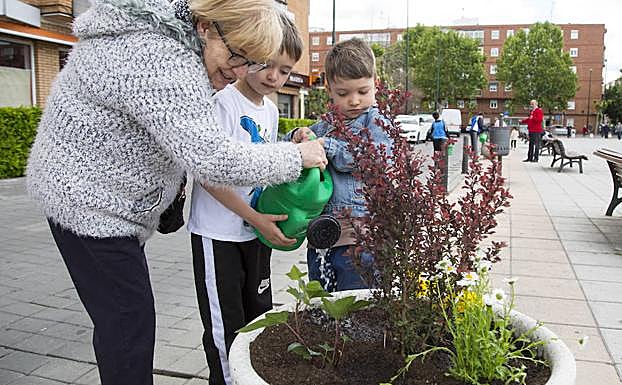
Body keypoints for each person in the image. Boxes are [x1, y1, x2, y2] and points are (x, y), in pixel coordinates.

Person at [25, 1, 327, 384]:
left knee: (124, 317)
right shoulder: (161, 58)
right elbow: (212, 159)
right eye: (236, 56)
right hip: (85, 202)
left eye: (249, 62)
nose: (237, 72)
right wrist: (295, 156)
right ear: (205, 26)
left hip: (107, 199)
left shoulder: (180, 42)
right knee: (128, 320)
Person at [187, 13, 302, 385]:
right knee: (225, 328)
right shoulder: (221, 101)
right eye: (267, 64)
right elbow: (208, 175)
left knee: (258, 318)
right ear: (250, 54)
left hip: (255, 234)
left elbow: (261, 162)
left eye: (284, 71)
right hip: (218, 236)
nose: (273, 77)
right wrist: (253, 217)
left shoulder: (269, 111)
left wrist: (291, 147)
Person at [290, 38, 393, 292]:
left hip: (360, 239)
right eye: (343, 94)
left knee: (359, 305)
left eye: (363, 91)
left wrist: (330, 147)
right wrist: (297, 136)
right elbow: (293, 151)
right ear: (329, 88)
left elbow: (375, 160)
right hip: (322, 237)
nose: (354, 101)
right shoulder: (325, 124)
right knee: (322, 304)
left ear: (375, 83)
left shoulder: (376, 123)